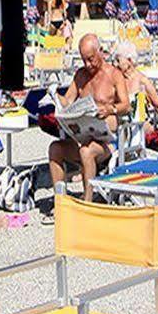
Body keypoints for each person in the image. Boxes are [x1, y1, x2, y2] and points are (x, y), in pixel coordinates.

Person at [46, 33, 122, 201]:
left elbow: (126, 105)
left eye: (91, 59)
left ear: (101, 52)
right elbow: (67, 100)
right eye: (84, 60)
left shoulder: (114, 75)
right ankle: (61, 200)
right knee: (55, 148)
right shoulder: (81, 75)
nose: (88, 65)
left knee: (86, 151)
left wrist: (111, 108)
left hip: (107, 143)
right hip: (83, 137)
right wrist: (54, 97)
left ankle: (87, 201)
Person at [112, 41, 158, 145]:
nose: (115, 64)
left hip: (138, 126)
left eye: (118, 60)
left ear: (130, 60)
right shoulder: (118, 80)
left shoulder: (142, 81)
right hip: (121, 126)